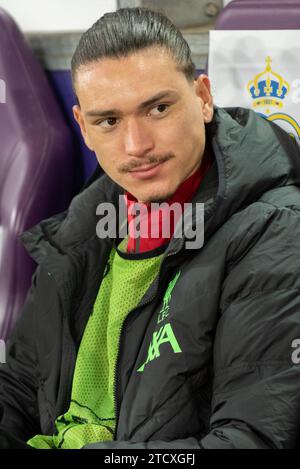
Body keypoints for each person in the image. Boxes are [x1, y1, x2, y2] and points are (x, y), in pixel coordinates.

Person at [1, 7, 300, 450]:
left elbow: (251, 438)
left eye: (158, 108)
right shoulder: (84, 227)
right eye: (109, 121)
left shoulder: (276, 232)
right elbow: (22, 387)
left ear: (202, 97)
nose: (136, 145)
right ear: (84, 127)